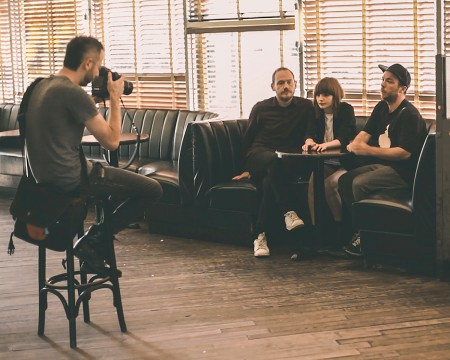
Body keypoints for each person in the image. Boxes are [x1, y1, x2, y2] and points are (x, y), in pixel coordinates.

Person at [25, 36, 163, 275]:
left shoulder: (43, 85)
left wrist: (96, 101)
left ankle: (94, 243)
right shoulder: (71, 93)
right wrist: (114, 98)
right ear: (88, 63)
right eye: (99, 65)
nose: (99, 70)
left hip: (43, 181)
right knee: (153, 189)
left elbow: (66, 116)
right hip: (72, 179)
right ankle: (94, 240)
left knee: (114, 179)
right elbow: (111, 142)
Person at [338, 63, 427, 256]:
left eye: (389, 81)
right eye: (382, 80)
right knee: (344, 180)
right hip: (382, 166)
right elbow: (365, 132)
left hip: (403, 172)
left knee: (359, 184)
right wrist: (357, 144)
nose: (383, 85)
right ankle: (360, 230)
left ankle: (366, 238)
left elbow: (404, 153)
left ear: (402, 88)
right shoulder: (381, 107)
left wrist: (367, 150)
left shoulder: (409, 114)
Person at [232, 67, 314, 257]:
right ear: (272, 87)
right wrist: (246, 169)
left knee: (269, 182)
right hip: (259, 155)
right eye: (280, 83)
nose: (285, 86)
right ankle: (289, 212)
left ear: (295, 84)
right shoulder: (261, 108)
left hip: (284, 161)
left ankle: (259, 236)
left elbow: (309, 132)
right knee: (272, 161)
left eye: (289, 82)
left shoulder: (305, 107)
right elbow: (247, 140)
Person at [302, 77, 357, 249]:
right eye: (318, 94)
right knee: (312, 184)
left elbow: (345, 137)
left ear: (335, 95)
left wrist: (324, 145)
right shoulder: (314, 111)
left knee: (330, 184)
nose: (320, 99)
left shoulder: (346, 109)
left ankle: (339, 229)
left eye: (325, 95)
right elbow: (309, 132)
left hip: (346, 162)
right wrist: (309, 142)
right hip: (324, 162)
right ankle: (314, 230)